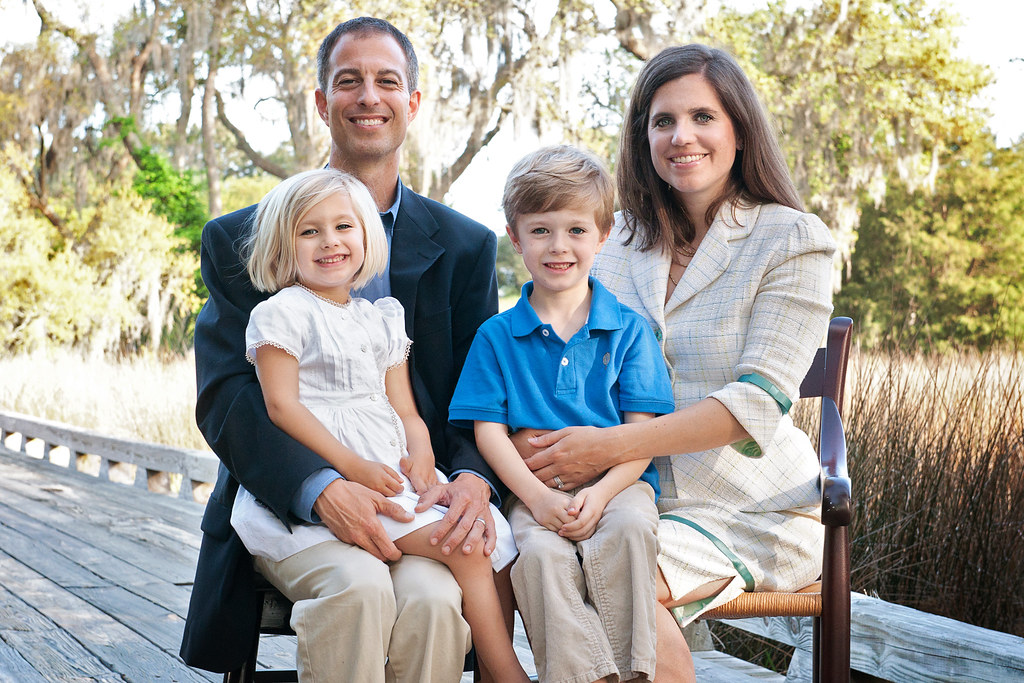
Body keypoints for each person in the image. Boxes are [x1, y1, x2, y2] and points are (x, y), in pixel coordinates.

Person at [180, 17, 507, 682]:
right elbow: (229, 398)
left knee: (437, 599)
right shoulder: (243, 238)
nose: (368, 97)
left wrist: (472, 474)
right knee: (357, 588)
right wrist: (322, 486)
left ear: (412, 104)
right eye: (348, 81)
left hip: (413, 496)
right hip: (289, 496)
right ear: (322, 102)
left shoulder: (466, 245)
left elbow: (480, 386)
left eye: (387, 81)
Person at [515, 45, 837, 680]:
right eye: (663, 121)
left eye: (703, 117)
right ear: (643, 138)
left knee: (606, 583)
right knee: (542, 564)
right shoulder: (613, 240)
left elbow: (757, 402)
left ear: (739, 131)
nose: (681, 136)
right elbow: (548, 353)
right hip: (621, 497)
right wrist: (533, 436)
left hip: (753, 509)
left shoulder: (792, 238)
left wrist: (607, 445)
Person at [228, 167, 528, 681]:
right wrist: (348, 467)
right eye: (309, 230)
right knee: (467, 547)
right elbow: (283, 408)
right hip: (331, 485)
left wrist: (425, 459)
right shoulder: (283, 314)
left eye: (344, 227)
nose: (330, 242)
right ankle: (505, 672)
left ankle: (499, 671)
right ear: (284, 244)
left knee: (479, 540)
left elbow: (405, 410)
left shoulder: (381, 317)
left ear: (368, 238)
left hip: (389, 472)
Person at [449, 145, 677, 683]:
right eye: (541, 230)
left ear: (603, 235)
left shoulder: (628, 330)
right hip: (533, 491)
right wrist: (538, 499)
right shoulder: (496, 337)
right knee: (538, 554)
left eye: (576, 230)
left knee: (630, 534)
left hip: (621, 487)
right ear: (516, 236)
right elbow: (489, 432)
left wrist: (599, 494)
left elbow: (640, 438)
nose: (559, 246)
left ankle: (634, 673)